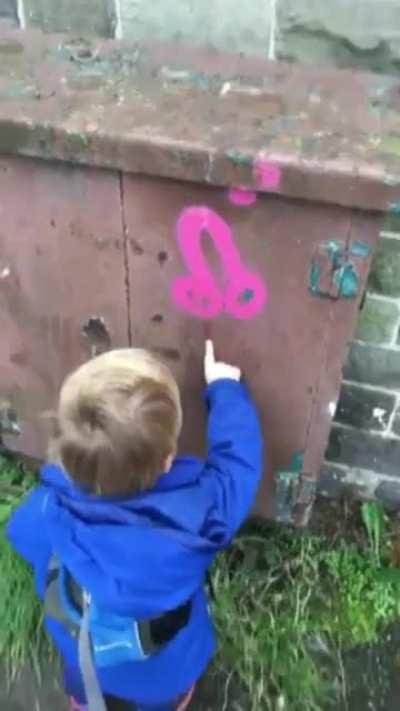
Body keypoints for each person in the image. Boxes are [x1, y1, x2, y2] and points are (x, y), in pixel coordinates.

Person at [7, 340, 263, 710]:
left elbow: (21, 536)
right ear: (167, 460)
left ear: (66, 456)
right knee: (162, 694)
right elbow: (236, 469)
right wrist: (225, 390)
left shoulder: (49, 508)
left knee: (86, 679)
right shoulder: (197, 514)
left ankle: (84, 702)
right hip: (163, 666)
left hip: (85, 647)